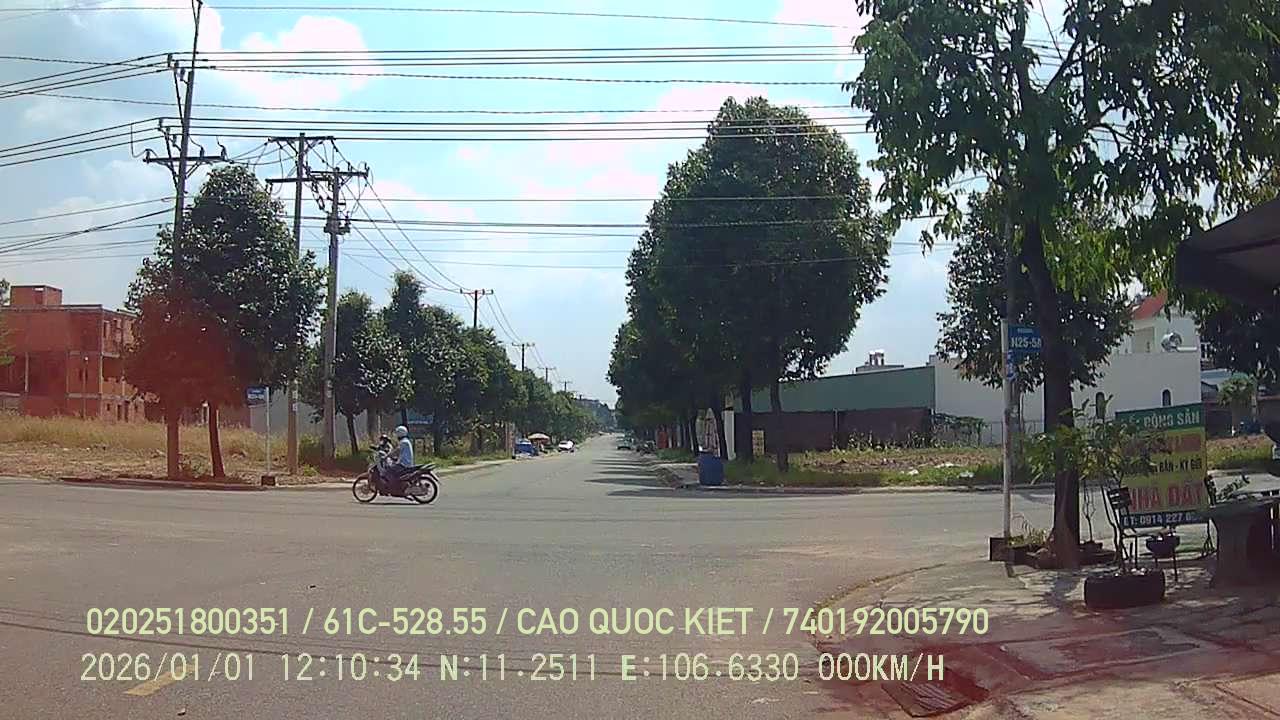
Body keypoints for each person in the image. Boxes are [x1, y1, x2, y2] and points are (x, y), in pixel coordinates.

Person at [384, 425, 421, 496]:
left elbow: (397, 450)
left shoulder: (403, 442)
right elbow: (400, 452)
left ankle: (395, 488)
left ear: (400, 433)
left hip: (403, 464)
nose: (396, 435)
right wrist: (395, 457)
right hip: (405, 462)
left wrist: (387, 456)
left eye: (397, 433)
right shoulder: (405, 441)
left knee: (389, 470)